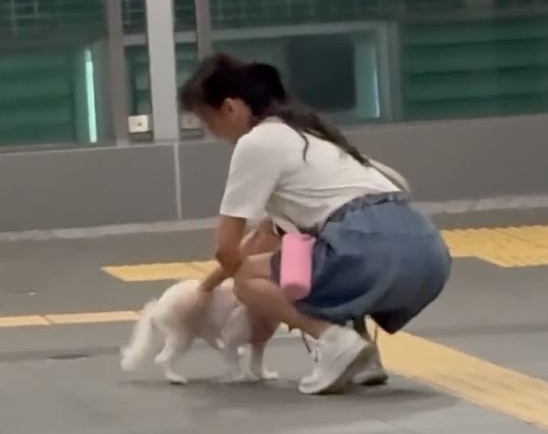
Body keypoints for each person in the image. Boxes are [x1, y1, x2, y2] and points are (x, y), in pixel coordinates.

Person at [179, 54, 452, 395]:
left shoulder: (257, 142)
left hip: (370, 252)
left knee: (253, 279)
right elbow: (263, 238)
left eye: (208, 120)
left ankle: (333, 340)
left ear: (230, 108)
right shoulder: (311, 134)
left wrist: (253, 298)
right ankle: (364, 360)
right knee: (313, 264)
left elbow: (227, 249)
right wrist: (205, 288)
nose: (212, 134)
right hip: (428, 256)